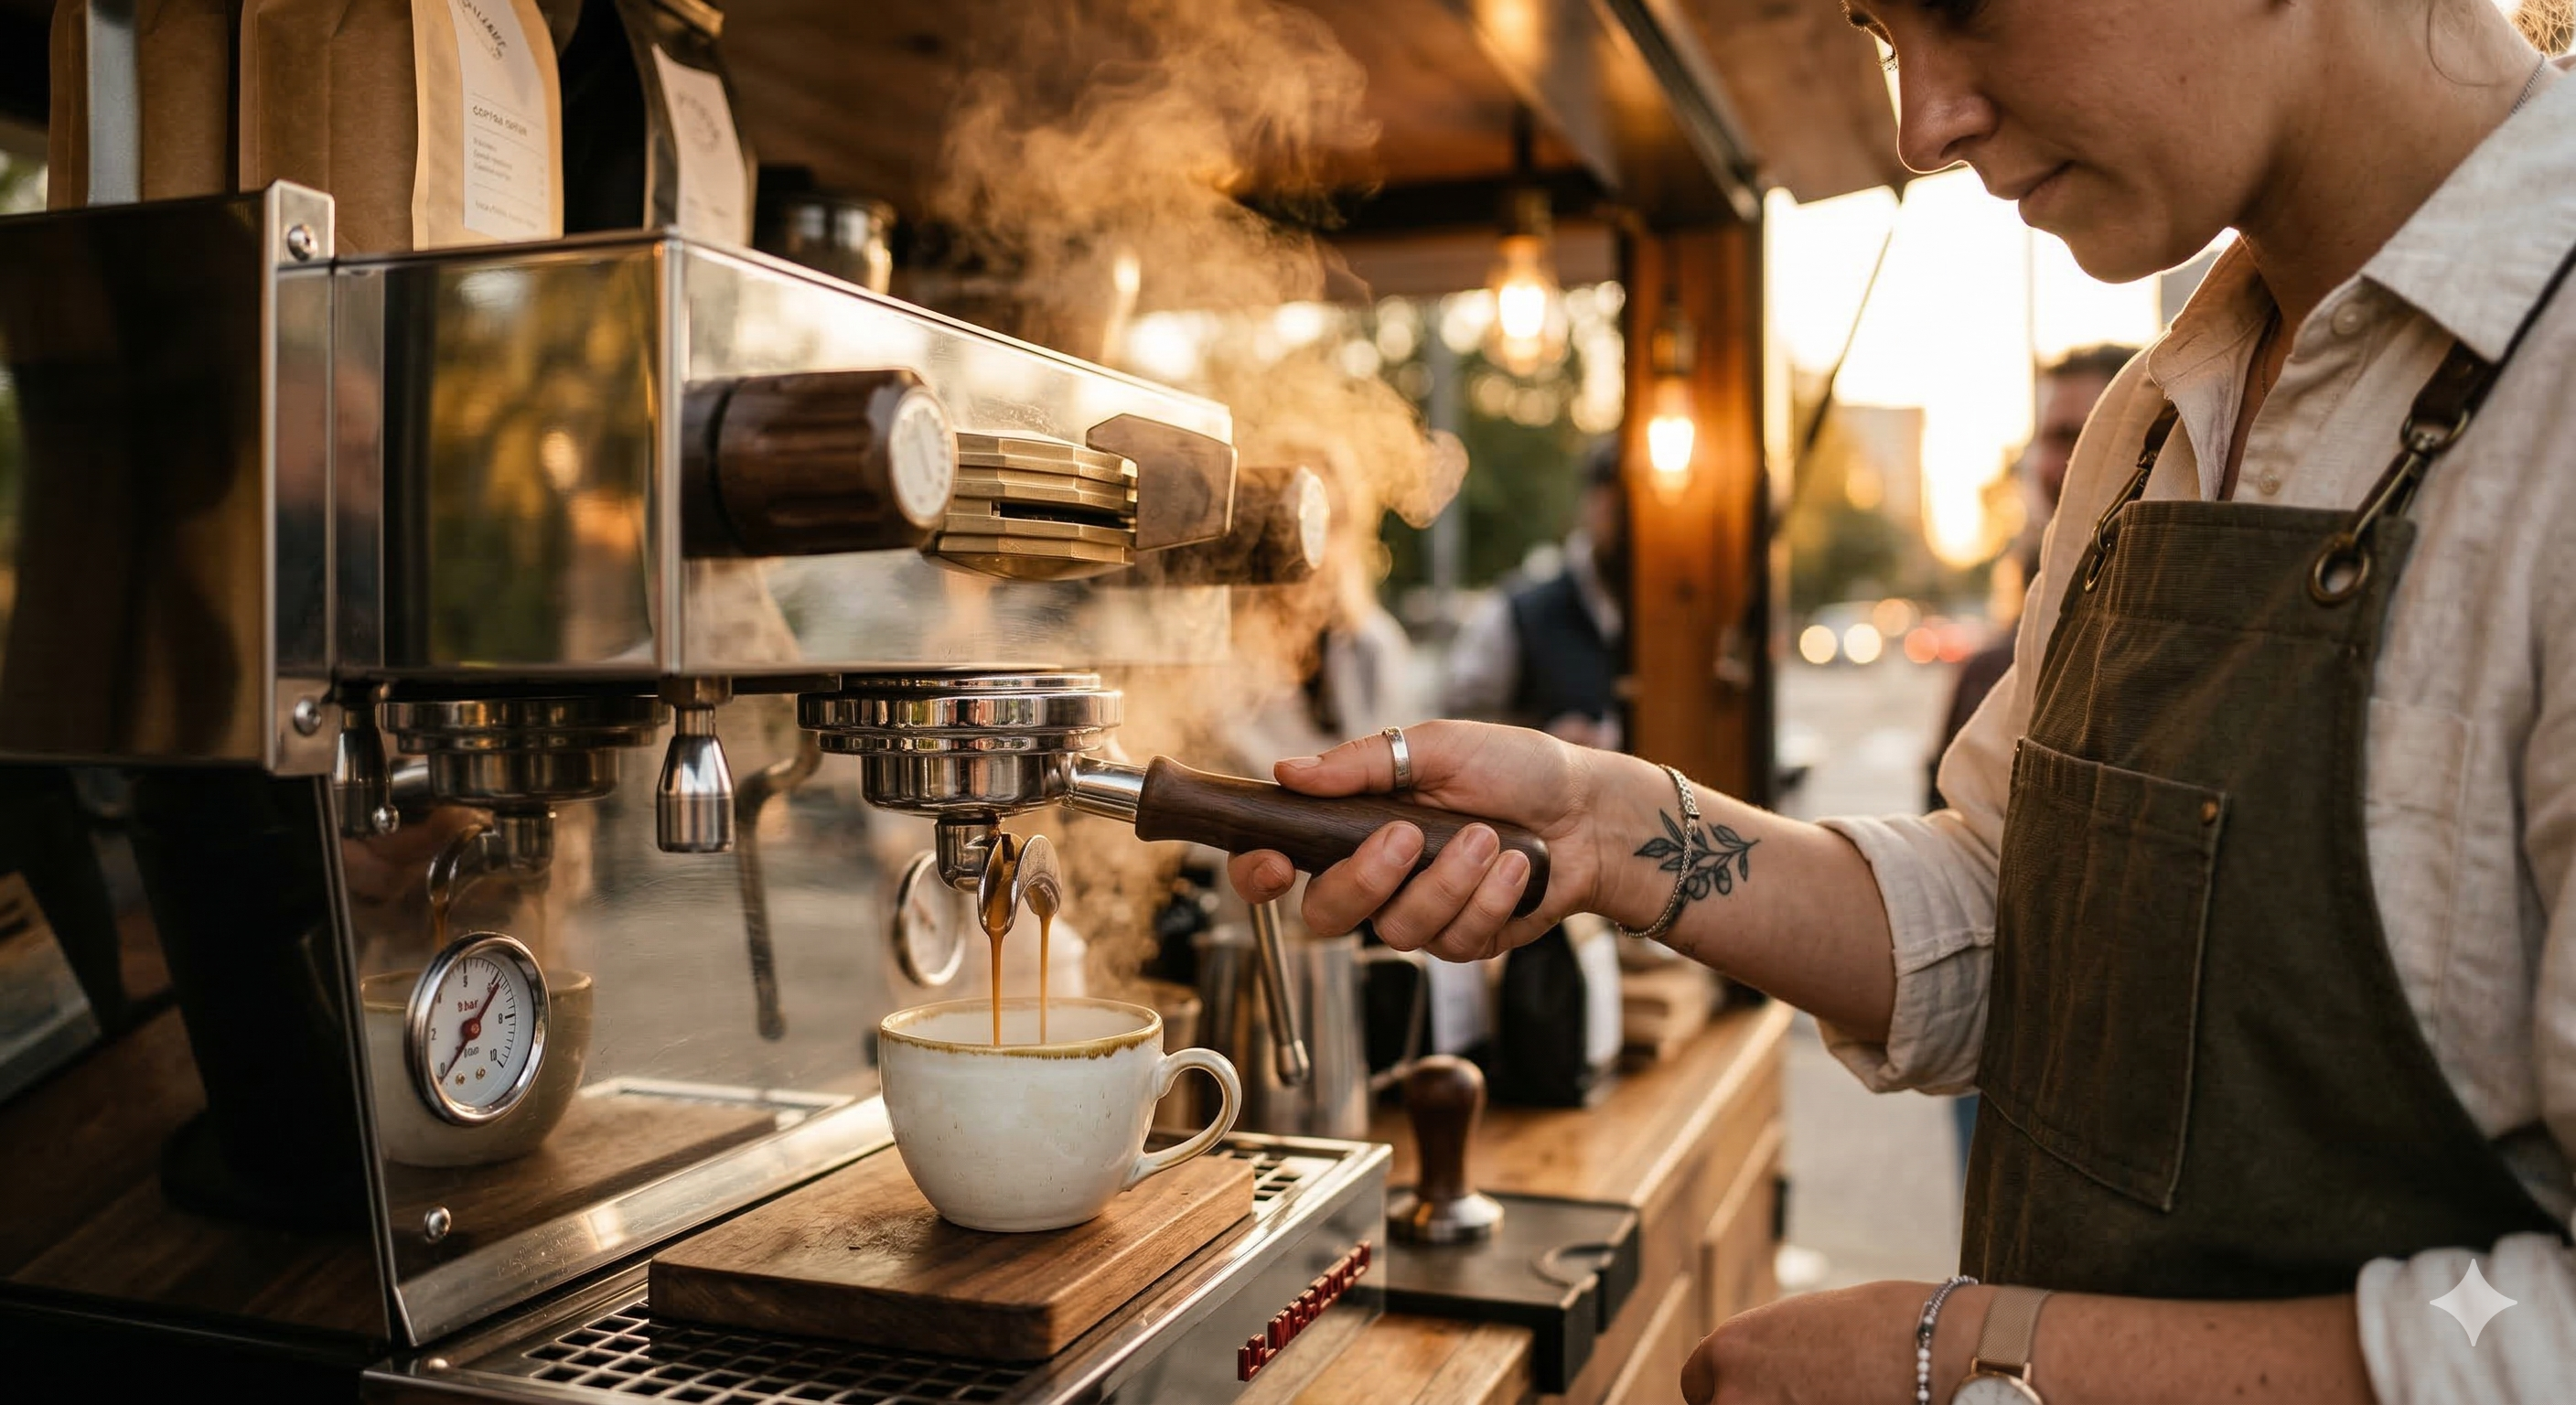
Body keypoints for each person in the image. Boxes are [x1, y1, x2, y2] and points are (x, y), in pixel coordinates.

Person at [1224, 1, 2576, 1401]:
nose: (1921, 126)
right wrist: (1607, 824)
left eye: (1964, 6)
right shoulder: (2153, 417)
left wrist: (1974, 1361)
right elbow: (2025, 918)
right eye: (1883, 33)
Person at [1928, 344, 2134, 1183]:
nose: (2067, 460)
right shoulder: (1991, 664)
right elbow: (1953, 854)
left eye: (2092, 433)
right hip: (1992, 1035)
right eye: (2055, 434)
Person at [1441, 442, 1627, 752]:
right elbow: (1457, 721)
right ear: (1591, 503)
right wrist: (1540, 740)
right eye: (1617, 509)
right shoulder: (1520, 612)